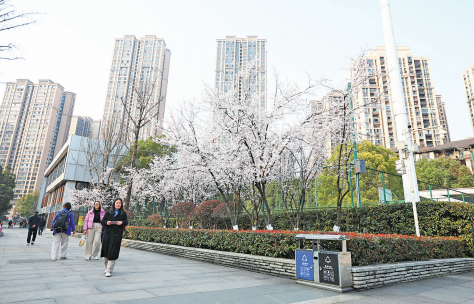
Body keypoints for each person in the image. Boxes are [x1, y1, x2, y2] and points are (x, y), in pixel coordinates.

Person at [101, 198, 128, 277]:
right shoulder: (109, 212)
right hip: (108, 233)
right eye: (117, 203)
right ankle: (106, 268)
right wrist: (107, 222)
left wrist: (121, 222)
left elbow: (126, 221)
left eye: (120, 203)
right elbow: (103, 221)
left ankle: (109, 270)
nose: (118, 204)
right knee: (106, 251)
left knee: (113, 251)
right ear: (114, 204)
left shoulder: (123, 213)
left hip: (117, 234)